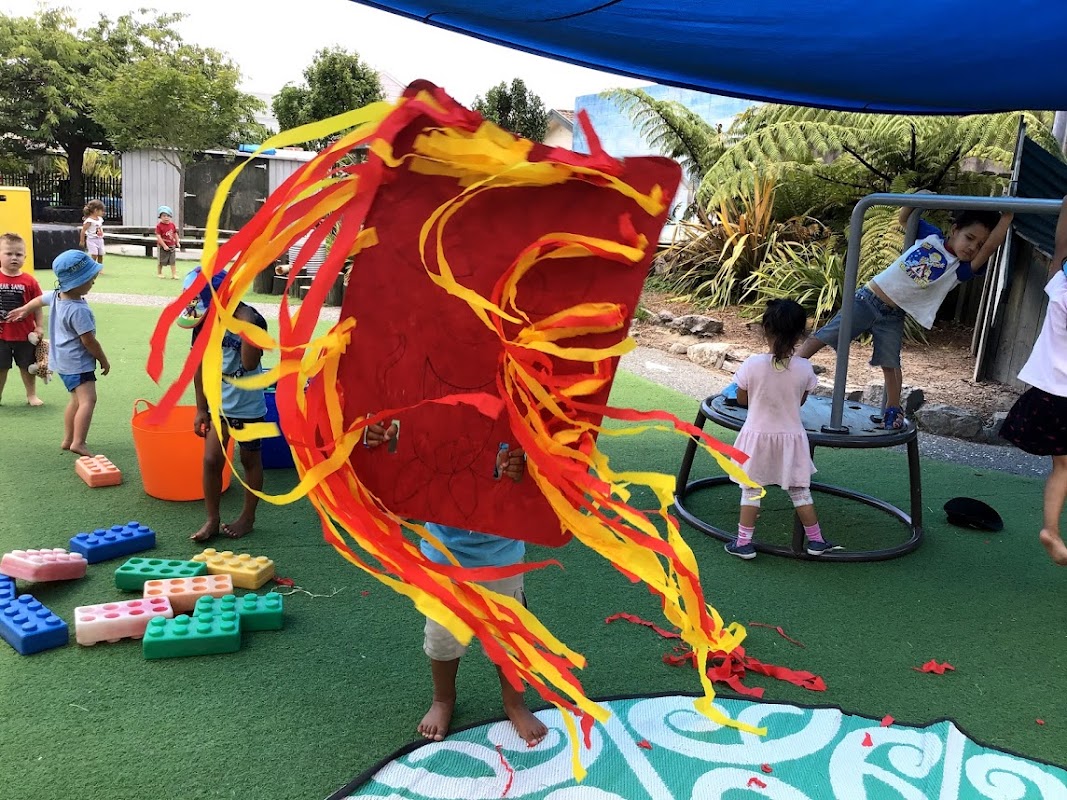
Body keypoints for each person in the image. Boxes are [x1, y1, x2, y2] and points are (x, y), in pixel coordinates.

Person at [364, 420, 549, 746]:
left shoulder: (512, 420)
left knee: (510, 637)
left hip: (502, 557)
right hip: (444, 558)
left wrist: (524, 469)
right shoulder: (432, 418)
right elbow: (401, 486)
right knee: (442, 637)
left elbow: (541, 475)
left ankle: (514, 702)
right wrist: (383, 443)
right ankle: (443, 698)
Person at [797, 192, 1012, 429]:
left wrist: (1007, 217)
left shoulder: (960, 270)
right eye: (969, 238)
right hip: (867, 299)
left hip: (893, 315)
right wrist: (917, 199)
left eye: (978, 245)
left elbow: (991, 247)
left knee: (890, 362)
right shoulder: (931, 237)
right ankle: (786, 369)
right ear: (954, 230)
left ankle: (892, 409)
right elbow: (904, 218)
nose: (972, 247)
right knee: (824, 336)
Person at [727, 299, 839, 559]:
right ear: (800, 334)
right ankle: (816, 541)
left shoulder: (752, 364)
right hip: (792, 438)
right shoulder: (804, 368)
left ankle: (743, 543)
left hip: (756, 437)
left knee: (751, 489)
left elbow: (742, 398)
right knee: (800, 490)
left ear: (765, 329)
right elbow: (800, 400)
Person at [1000, 195, 1067, 566]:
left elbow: (1061, 247)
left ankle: (1051, 530)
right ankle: (1051, 531)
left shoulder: (1060, 289)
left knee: (1063, 465)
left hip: (1048, 396)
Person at [185, 266, 269, 542]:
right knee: (211, 460)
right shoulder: (203, 322)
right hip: (218, 405)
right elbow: (199, 366)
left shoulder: (255, 321)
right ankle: (212, 518)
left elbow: (249, 363)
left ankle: (248, 517)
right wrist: (201, 408)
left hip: (249, 406)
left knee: (249, 460)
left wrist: (246, 323)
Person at [7, 250, 109, 455]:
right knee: (88, 400)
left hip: (61, 361)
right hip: (77, 363)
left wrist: (25, 309)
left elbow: (39, 300)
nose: (93, 282)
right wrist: (103, 360)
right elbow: (89, 341)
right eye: (89, 278)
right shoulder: (79, 310)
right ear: (76, 283)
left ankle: (68, 439)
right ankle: (79, 442)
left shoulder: (56, 296)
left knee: (76, 401)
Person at [0, 233, 45, 406]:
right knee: (1, 367)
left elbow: (38, 306)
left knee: (27, 367)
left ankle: (31, 395)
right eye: (8, 253)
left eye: (18, 254)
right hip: (1, 335)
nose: (14, 258)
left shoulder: (29, 281)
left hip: (25, 335)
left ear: (25, 257)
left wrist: (39, 327)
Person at [155, 206, 180, 280]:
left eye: (168, 216)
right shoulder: (159, 226)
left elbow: (175, 233)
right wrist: (164, 245)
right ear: (160, 217)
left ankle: (174, 274)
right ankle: (159, 273)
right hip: (162, 246)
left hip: (172, 245)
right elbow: (158, 236)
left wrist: (177, 242)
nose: (166, 217)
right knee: (161, 260)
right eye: (164, 216)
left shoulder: (172, 225)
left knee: (172, 260)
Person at [80, 199, 106, 266]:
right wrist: (82, 241)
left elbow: (100, 227)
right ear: (96, 210)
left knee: (100, 254)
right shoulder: (89, 221)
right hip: (92, 239)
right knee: (94, 254)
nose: (103, 212)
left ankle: (99, 267)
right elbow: (83, 230)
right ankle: (92, 266)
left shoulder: (100, 219)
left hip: (100, 239)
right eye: (101, 210)